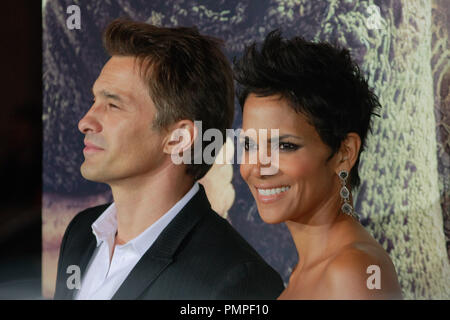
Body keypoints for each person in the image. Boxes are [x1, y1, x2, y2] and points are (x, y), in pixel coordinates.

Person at [53, 19, 284, 300]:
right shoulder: (82, 232)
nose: (85, 122)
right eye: (94, 101)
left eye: (113, 105)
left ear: (178, 138)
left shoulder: (237, 282)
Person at [234, 30, 403, 299]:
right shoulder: (311, 269)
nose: (258, 168)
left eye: (285, 146)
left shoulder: (354, 271)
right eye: (249, 145)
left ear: (344, 153)